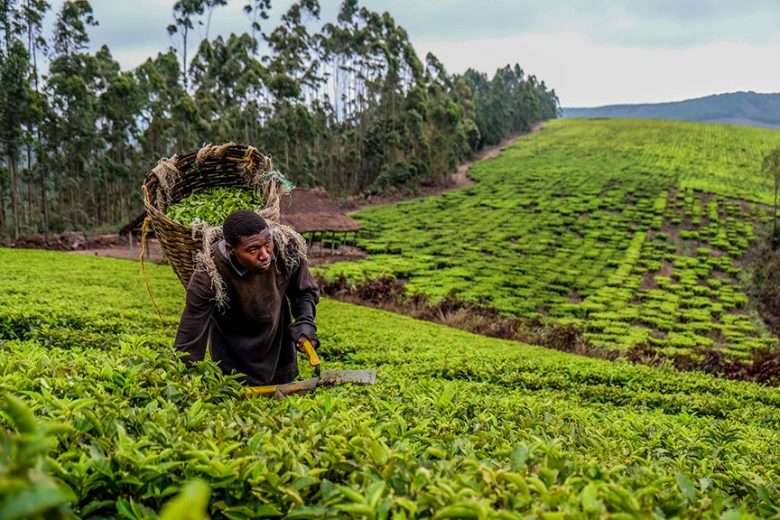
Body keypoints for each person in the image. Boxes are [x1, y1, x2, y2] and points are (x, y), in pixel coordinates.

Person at [174, 210, 320, 385]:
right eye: (252, 249)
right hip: (234, 364)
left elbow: (303, 292)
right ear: (231, 249)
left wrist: (305, 321)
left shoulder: (286, 248)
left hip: (280, 354)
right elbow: (191, 335)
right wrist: (183, 382)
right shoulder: (209, 274)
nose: (265, 255)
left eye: (267, 243)